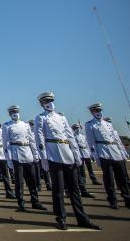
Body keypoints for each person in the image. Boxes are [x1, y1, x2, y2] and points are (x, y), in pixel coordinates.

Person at [34, 91, 100, 230]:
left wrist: (76, 154)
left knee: (75, 189)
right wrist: (44, 158)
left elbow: (70, 136)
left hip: (68, 154)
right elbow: (39, 139)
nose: (49, 104)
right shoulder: (40, 118)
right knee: (58, 189)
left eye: (51, 101)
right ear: (42, 104)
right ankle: (61, 218)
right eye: (46, 102)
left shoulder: (62, 117)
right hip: (54, 155)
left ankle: (82, 218)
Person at [84, 103, 130, 210]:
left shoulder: (108, 124)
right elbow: (91, 142)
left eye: (99, 110)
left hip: (115, 152)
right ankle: (112, 200)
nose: (98, 112)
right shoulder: (90, 125)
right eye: (95, 110)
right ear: (92, 112)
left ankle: (128, 200)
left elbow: (116, 140)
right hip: (103, 152)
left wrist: (122, 151)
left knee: (122, 178)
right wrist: (96, 156)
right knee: (109, 179)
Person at [2, 105, 46, 211]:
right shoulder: (7, 125)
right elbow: (6, 143)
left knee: (32, 180)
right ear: (9, 114)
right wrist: (9, 160)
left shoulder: (25, 125)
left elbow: (32, 140)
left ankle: (35, 201)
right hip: (16, 154)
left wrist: (35, 154)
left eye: (16, 111)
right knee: (19, 182)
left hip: (28, 153)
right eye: (13, 112)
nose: (15, 113)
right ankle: (21, 203)